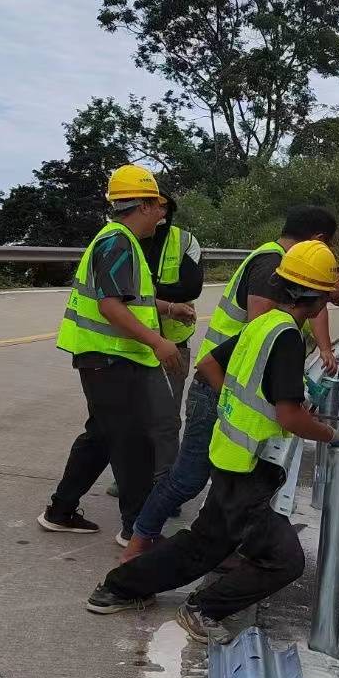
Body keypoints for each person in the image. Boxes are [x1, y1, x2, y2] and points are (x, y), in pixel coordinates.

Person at [84, 240, 339, 641]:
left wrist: (237, 407)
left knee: (205, 543)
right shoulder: (287, 338)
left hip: (229, 455)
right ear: (320, 298)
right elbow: (289, 416)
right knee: (284, 560)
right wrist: (332, 435)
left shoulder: (261, 325)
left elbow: (209, 364)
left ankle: (117, 588)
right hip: (249, 468)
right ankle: (203, 609)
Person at [118, 205, 339, 560]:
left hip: (223, 381)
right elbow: (266, 337)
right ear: (319, 241)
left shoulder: (276, 269)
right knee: (189, 477)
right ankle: (137, 540)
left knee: (224, 481)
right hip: (218, 386)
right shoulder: (272, 269)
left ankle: (206, 548)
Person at [38, 165, 187, 538]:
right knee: (132, 443)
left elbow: (128, 299)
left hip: (108, 358)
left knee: (102, 436)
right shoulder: (117, 242)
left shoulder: (121, 242)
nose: (163, 214)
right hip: (109, 359)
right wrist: (158, 342)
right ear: (144, 206)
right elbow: (111, 306)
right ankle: (136, 531)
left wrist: (168, 309)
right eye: (159, 205)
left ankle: (61, 510)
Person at [108, 196, 202, 501]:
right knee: (131, 416)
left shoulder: (185, 241)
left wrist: (150, 294)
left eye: (164, 207)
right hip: (130, 343)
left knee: (165, 419)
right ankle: (130, 480)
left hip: (171, 343)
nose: (159, 213)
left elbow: (190, 288)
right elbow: (121, 295)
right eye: (153, 206)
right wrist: (160, 298)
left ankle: (163, 487)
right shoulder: (124, 240)